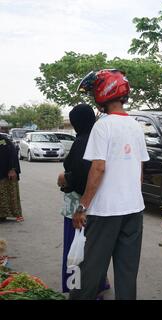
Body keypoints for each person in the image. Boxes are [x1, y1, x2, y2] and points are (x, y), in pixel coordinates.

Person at [69, 69, 150, 300]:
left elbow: (98, 169)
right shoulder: (136, 126)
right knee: (127, 273)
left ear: (104, 93)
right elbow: (139, 172)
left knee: (90, 270)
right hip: (134, 210)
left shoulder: (102, 126)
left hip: (105, 212)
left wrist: (82, 206)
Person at [57, 104, 109, 297]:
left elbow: (79, 176)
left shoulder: (81, 141)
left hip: (78, 207)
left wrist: (64, 180)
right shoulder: (99, 138)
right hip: (97, 203)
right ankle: (99, 284)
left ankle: (78, 288)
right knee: (95, 248)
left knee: (76, 250)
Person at [0, 133, 24, 222]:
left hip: (6, 172)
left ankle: (16, 214)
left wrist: (12, 169)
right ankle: (2, 215)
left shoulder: (4, 140)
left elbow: (13, 154)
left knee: (10, 193)